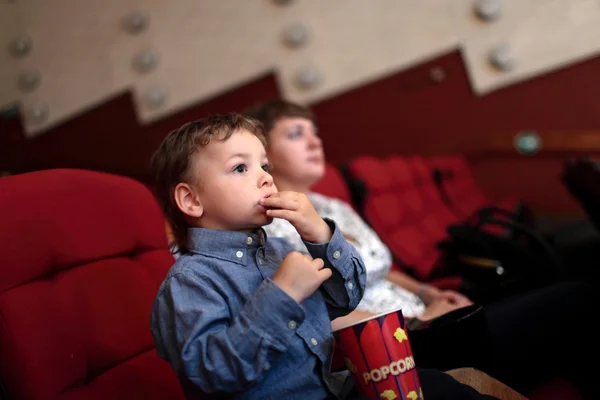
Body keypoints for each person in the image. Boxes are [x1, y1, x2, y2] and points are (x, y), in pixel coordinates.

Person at [245, 99, 599, 398]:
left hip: (430, 319)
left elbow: (381, 268)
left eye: (314, 132)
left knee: (572, 305)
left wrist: (431, 293)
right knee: (576, 300)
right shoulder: (271, 225)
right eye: (296, 134)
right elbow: (314, 314)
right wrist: (411, 325)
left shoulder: (331, 204)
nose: (314, 142)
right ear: (266, 154)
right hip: (400, 348)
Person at [149, 113, 500, 400]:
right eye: (241, 168)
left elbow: (347, 297)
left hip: (335, 388)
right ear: (191, 200)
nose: (265, 180)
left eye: (265, 167)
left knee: (443, 387)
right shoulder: (189, 281)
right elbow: (213, 374)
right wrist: (282, 297)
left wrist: (320, 236)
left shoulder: (279, 251)